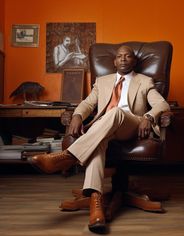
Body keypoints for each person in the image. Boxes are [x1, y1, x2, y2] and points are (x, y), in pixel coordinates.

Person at [31, 45, 170, 233]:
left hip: (130, 125)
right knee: (98, 143)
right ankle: (96, 207)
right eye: (119, 56)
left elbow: (161, 104)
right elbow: (88, 103)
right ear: (114, 62)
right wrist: (78, 115)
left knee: (115, 113)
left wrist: (148, 117)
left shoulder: (144, 81)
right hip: (104, 128)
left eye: (127, 56)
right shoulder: (102, 81)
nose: (123, 59)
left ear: (133, 61)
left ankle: (67, 157)